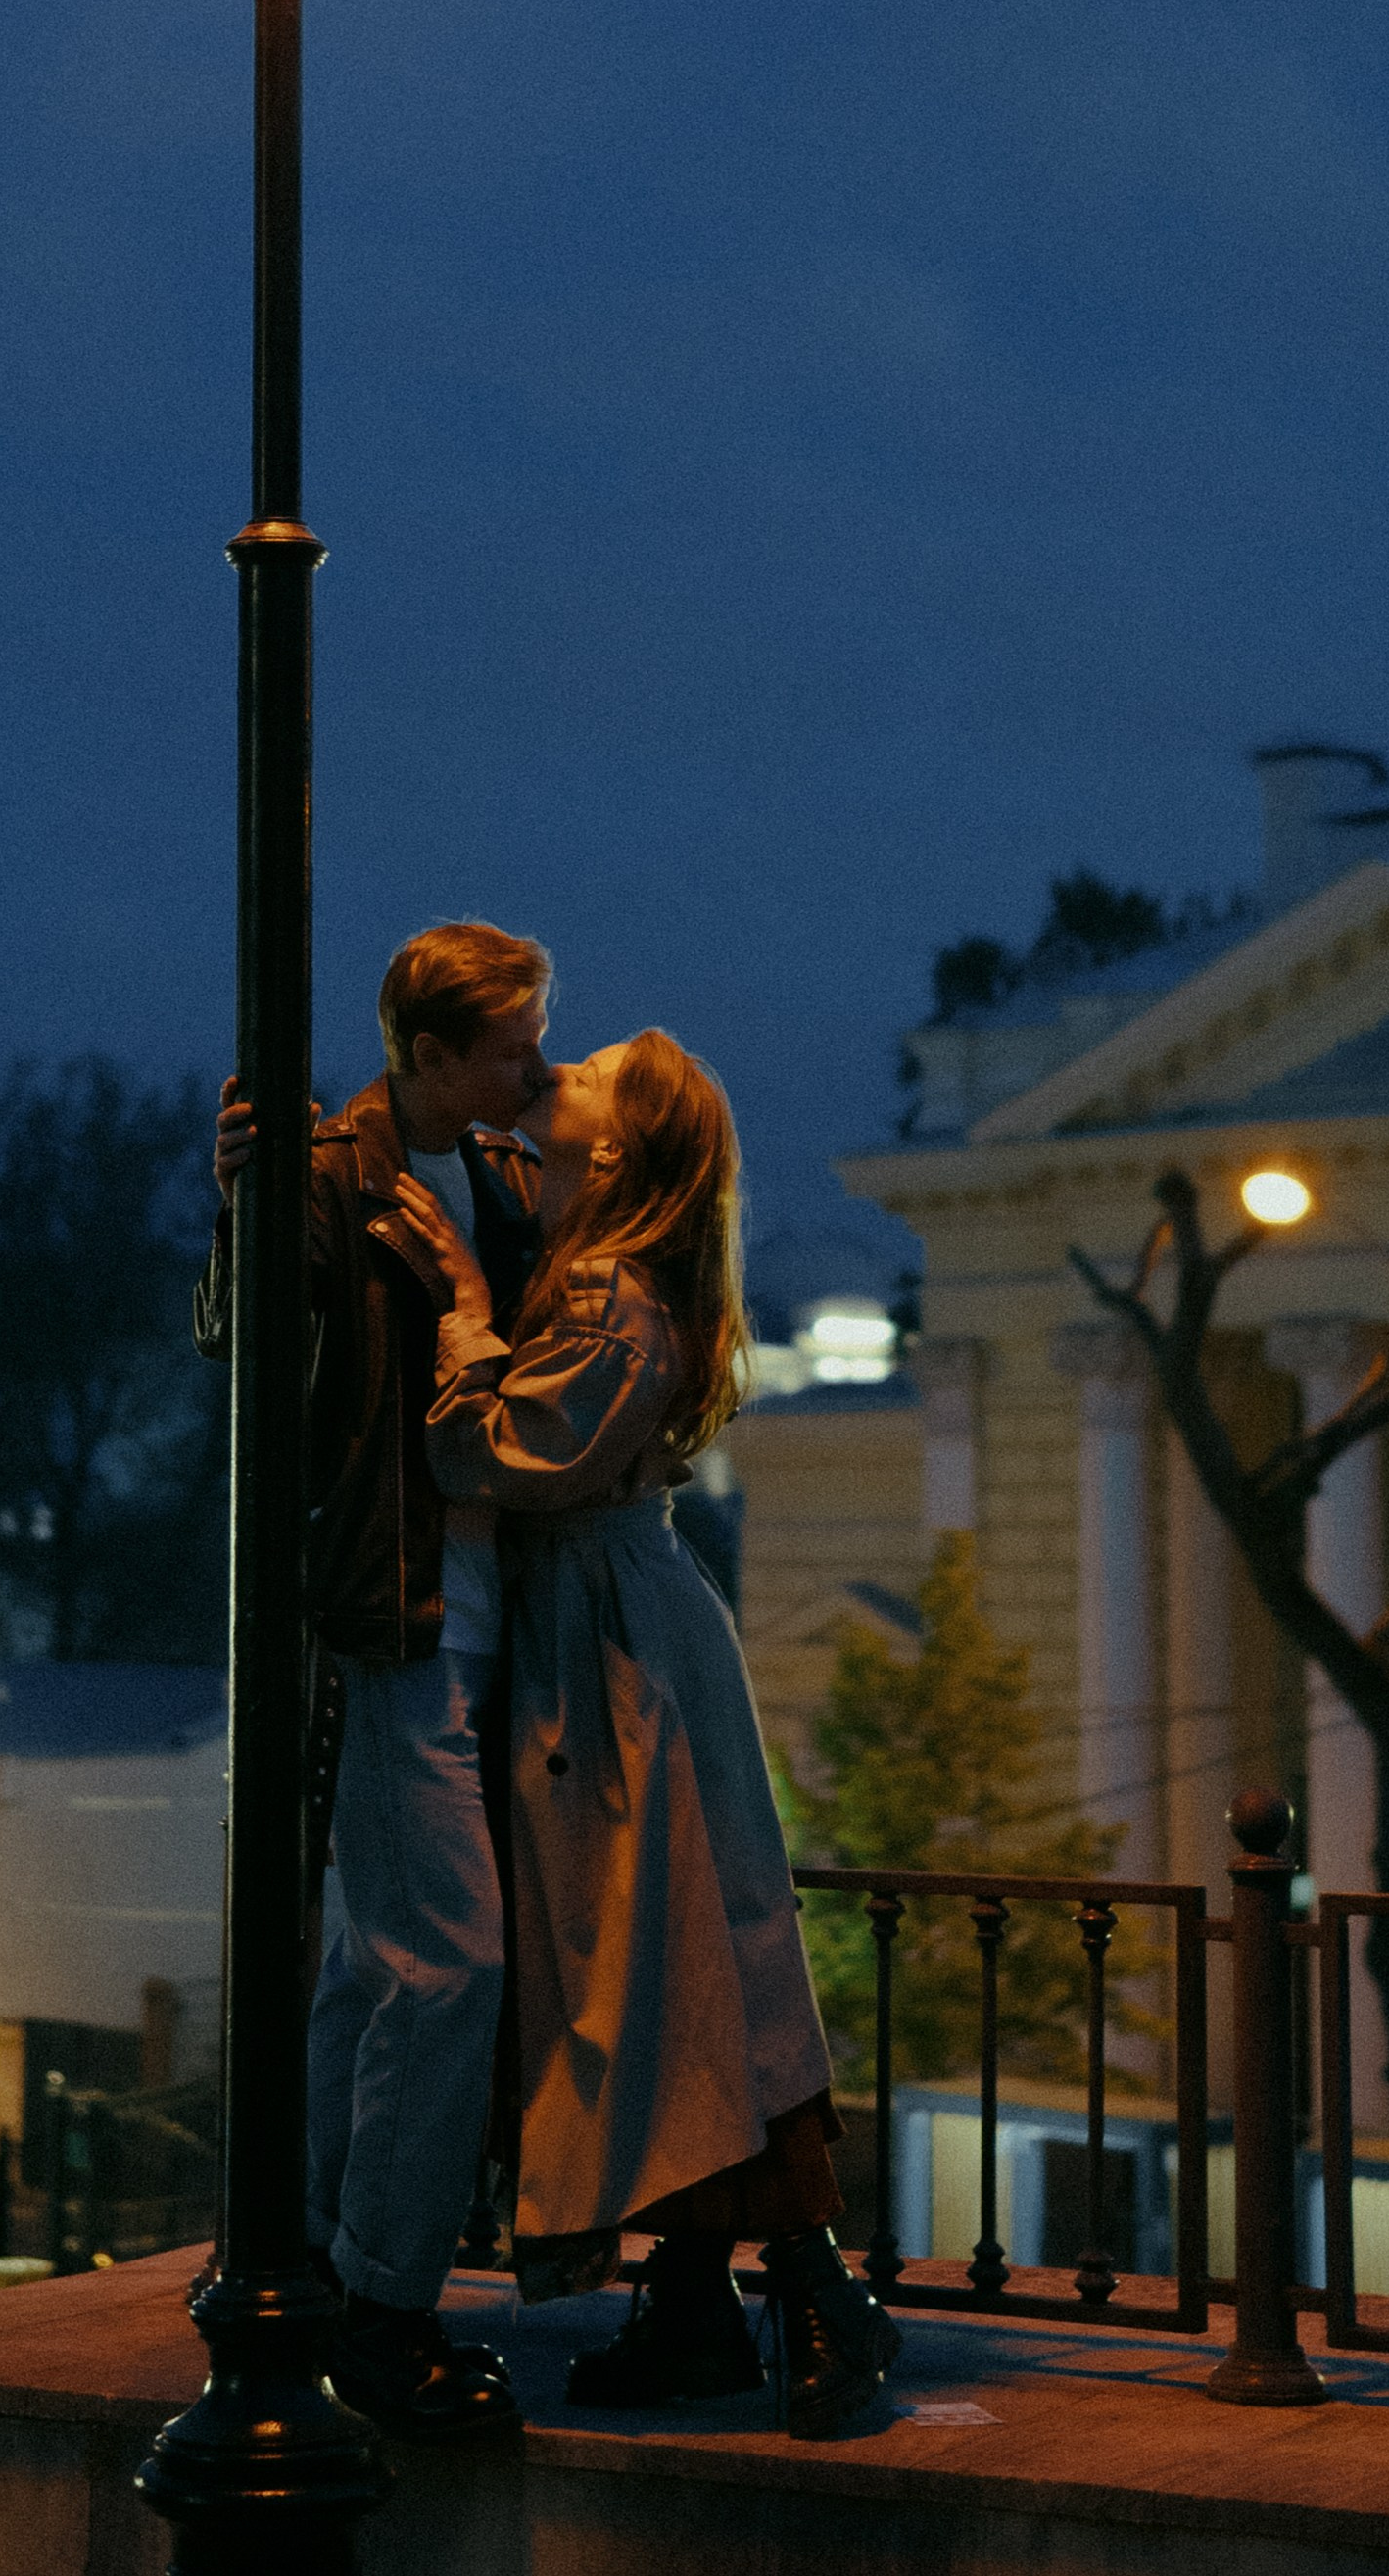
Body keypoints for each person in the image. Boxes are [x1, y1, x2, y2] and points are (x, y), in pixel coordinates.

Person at [404, 1031, 903, 2440]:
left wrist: (451, 1309)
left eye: (590, 1072)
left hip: (611, 1650)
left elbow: (494, 1449)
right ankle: (702, 2309)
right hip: (615, 1634)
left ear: (615, 1148)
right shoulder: (602, 1262)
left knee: (670, 1959)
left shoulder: (615, 1297)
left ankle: (805, 2301)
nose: (555, 1069)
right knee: (671, 1958)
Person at [200, 919, 551, 2442]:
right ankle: (387, 2305)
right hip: (388, 1615)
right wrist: (250, 1209)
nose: (529, 1066)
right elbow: (246, 1349)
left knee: (375, 1962)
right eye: (505, 1044)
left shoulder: (494, 1169)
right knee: (446, 1961)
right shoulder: (333, 1168)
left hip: (465, 1611)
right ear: (425, 1048)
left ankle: (305, 2258)